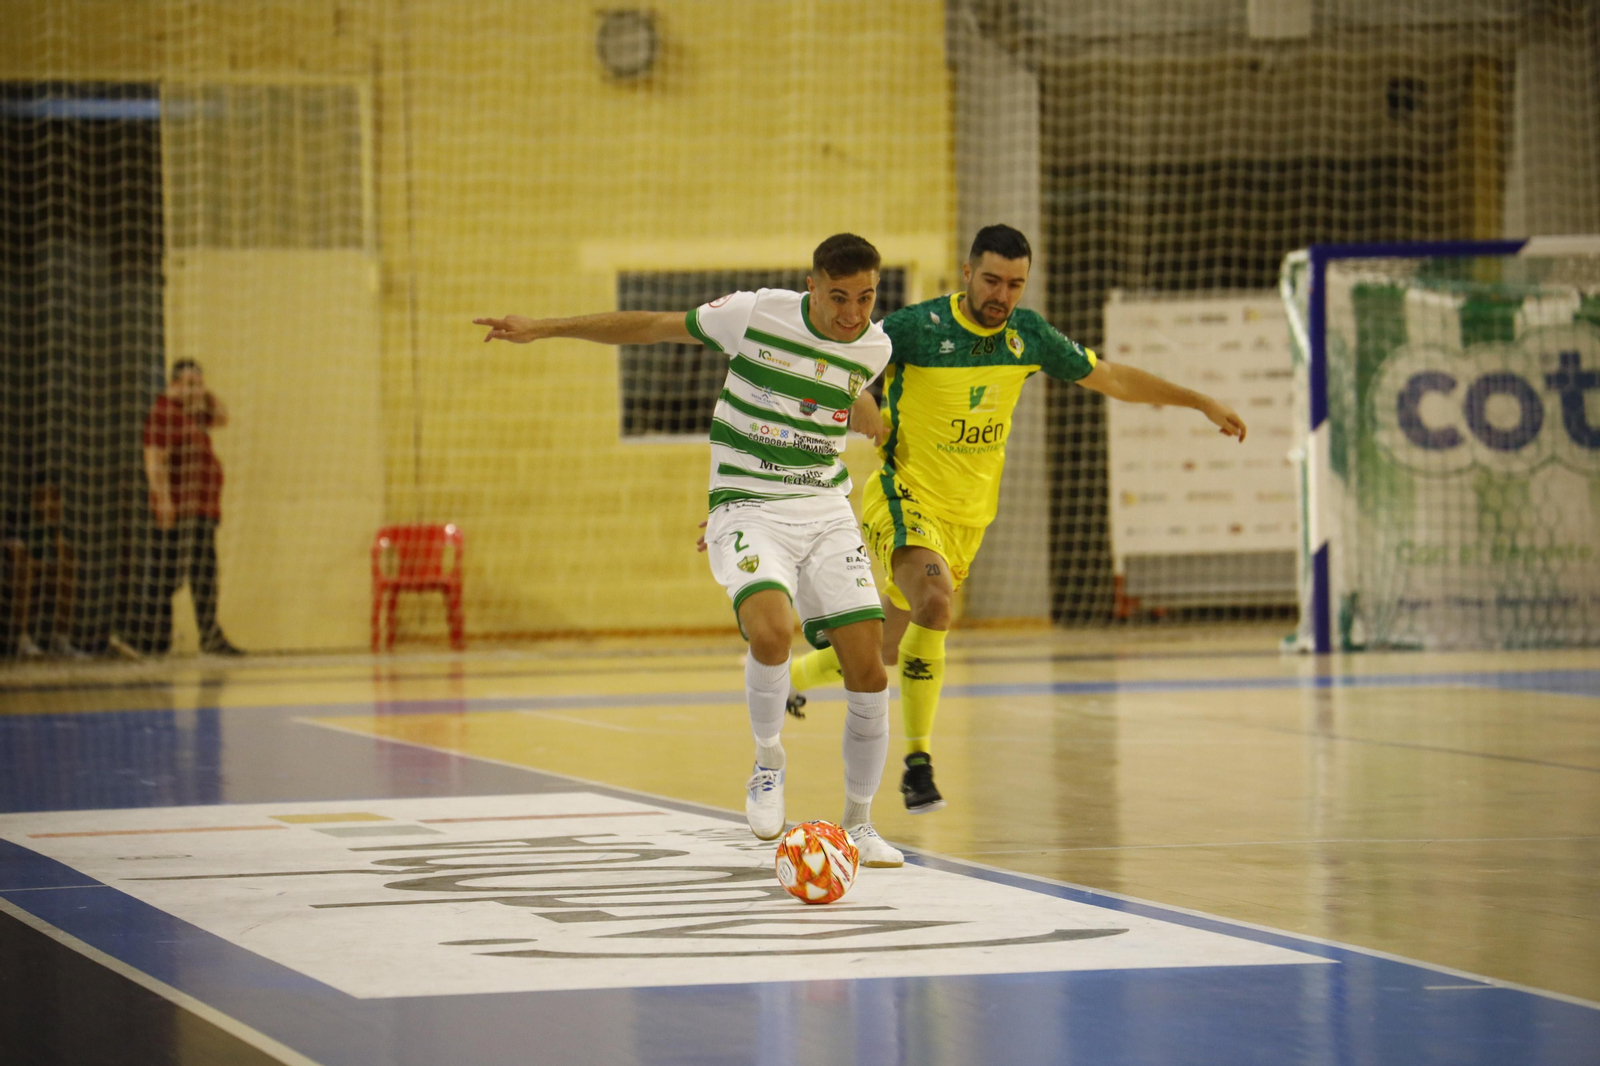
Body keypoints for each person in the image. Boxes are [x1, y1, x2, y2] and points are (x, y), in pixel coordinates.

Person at [475, 233, 905, 867]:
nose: (852, 313)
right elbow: (650, 326)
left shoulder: (875, 346)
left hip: (824, 508)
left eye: (865, 298)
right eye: (839, 297)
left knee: (870, 670)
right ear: (812, 286)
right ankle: (768, 763)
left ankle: (860, 823)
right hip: (748, 503)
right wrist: (544, 327)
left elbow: (832, 381)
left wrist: (863, 401)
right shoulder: (756, 313)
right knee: (771, 632)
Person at [784, 225, 1248, 813]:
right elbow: (837, 363)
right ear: (967, 273)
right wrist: (862, 397)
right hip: (903, 495)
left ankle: (793, 679)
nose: (1001, 295)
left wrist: (1200, 401)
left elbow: (1110, 377)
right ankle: (918, 766)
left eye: (1015, 284)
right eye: (991, 281)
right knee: (935, 605)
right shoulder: (917, 329)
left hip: (967, 519)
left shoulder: (1027, 336)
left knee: (885, 645)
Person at [131, 358, 243, 657]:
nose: (197, 390)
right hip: (181, 510)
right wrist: (164, 501)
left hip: (203, 509)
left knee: (204, 575)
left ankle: (209, 637)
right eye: (190, 383)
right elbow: (155, 460)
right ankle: (144, 639)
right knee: (169, 576)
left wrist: (203, 394)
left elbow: (222, 417)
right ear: (174, 384)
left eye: (200, 383)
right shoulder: (164, 412)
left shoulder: (191, 413)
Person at [4, 481, 84, 659]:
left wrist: (57, 545)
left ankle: (60, 640)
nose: (51, 503)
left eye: (55, 497)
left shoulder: (55, 529)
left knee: (68, 568)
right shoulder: (18, 523)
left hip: (43, 577)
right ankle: (22, 641)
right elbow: (18, 558)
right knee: (24, 572)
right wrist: (43, 567)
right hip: (15, 579)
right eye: (45, 497)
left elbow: (64, 556)